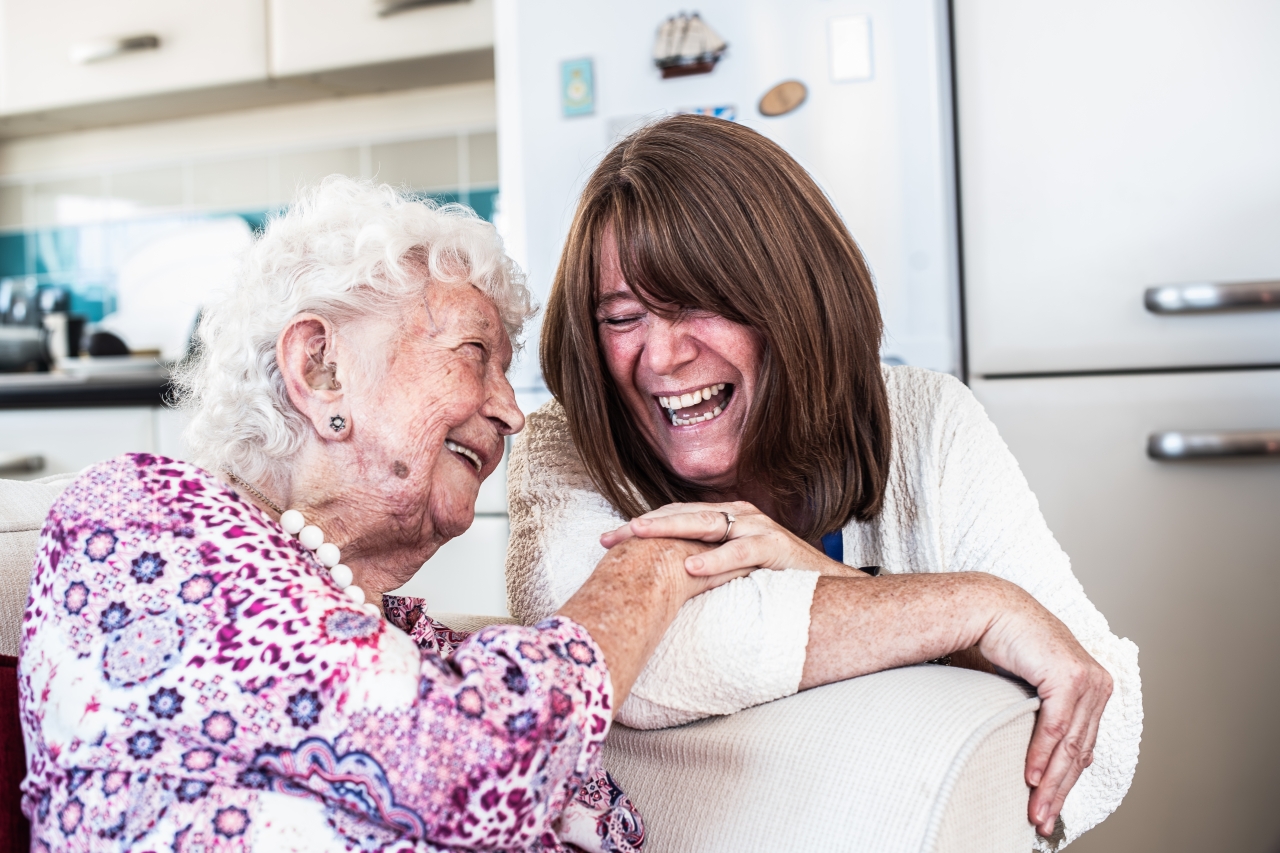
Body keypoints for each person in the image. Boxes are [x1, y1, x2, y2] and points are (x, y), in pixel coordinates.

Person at [17, 177, 758, 852]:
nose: (510, 412)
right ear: (321, 367)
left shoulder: (412, 644)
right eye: (475, 352)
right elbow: (471, 761)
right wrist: (645, 571)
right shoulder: (139, 527)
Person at [506, 115, 1141, 846]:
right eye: (623, 317)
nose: (660, 357)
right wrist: (977, 610)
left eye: (694, 304)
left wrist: (814, 571)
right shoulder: (565, 442)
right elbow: (598, 667)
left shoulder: (926, 421)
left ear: (790, 296)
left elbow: (1101, 714)